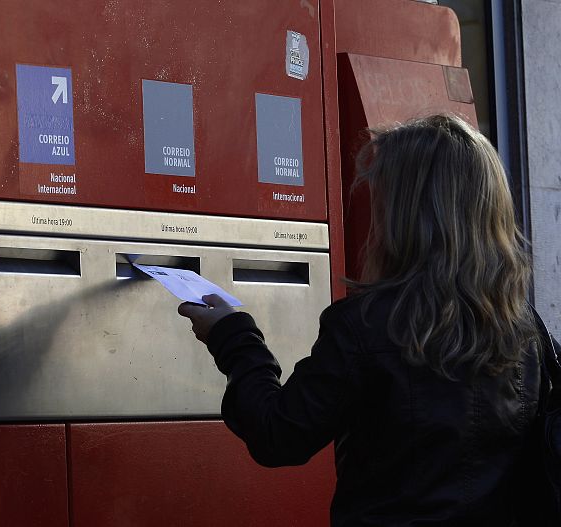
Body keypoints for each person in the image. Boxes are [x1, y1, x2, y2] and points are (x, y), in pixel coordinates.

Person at [178, 114, 543, 526]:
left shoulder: (365, 326)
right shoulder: (525, 330)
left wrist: (233, 334)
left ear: (405, 213)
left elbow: (278, 436)